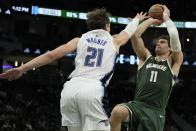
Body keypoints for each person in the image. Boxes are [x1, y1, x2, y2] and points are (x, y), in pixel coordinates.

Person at [0, 8, 146, 131]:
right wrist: (136, 20)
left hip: (70, 89)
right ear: (107, 26)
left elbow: (51, 55)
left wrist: (22, 68)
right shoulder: (115, 40)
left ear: (90, 26)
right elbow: (128, 31)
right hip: (93, 89)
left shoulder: (79, 39)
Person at [109, 5, 183, 131]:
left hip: (155, 112)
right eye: (158, 41)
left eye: (163, 42)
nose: (158, 43)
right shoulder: (146, 57)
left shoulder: (174, 62)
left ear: (170, 48)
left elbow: (174, 36)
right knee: (117, 112)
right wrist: (152, 20)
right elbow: (136, 35)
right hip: (138, 105)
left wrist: (166, 18)